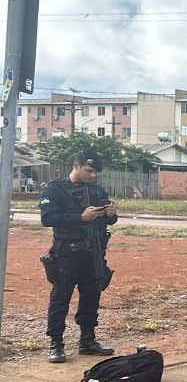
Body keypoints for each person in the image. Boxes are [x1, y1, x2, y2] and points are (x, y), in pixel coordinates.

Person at [39, 149, 118, 364]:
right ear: (76, 166)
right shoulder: (56, 189)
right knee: (60, 299)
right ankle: (56, 343)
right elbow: (48, 218)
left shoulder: (97, 190)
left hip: (93, 253)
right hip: (67, 254)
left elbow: (107, 220)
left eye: (95, 172)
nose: (93, 175)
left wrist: (111, 215)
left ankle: (87, 340)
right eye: (89, 171)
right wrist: (80, 217)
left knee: (92, 297)